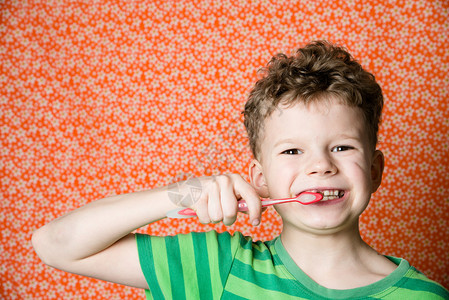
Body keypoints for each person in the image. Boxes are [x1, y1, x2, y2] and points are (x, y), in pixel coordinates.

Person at [32, 40, 449, 299]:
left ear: (375, 170)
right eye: (291, 152)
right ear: (260, 180)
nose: (320, 166)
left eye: (341, 147)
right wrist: (181, 194)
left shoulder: (423, 296)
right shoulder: (217, 265)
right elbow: (56, 243)